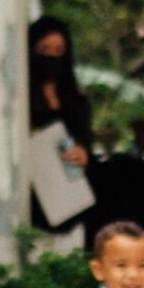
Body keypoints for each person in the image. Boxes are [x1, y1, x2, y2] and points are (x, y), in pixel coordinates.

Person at [27, 15, 94, 238]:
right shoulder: (23, 100)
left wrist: (83, 154)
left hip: (72, 200)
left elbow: (86, 144)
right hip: (35, 204)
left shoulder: (77, 101)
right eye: (44, 49)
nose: (51, 58)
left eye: (58, 51)